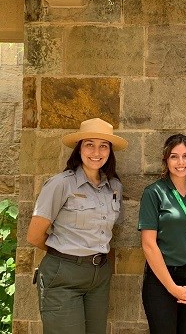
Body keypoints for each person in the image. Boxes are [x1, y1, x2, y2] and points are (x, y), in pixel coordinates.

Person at [27, 118, 128, 334]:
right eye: (89, 144)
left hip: (99, 276)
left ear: (110, 151)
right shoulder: (60, 184)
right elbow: (34, 235)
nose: (96, 151)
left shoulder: (115, 187)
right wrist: (66, 254)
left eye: (103, 146)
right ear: (79, 148)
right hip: (64, 275)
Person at [138, 134, 186, 334]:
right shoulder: (154, 192)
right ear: (166, 160)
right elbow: (148, 244)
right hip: (162, 280)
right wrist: (172, 287)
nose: (180, 162)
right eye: (174, 156)